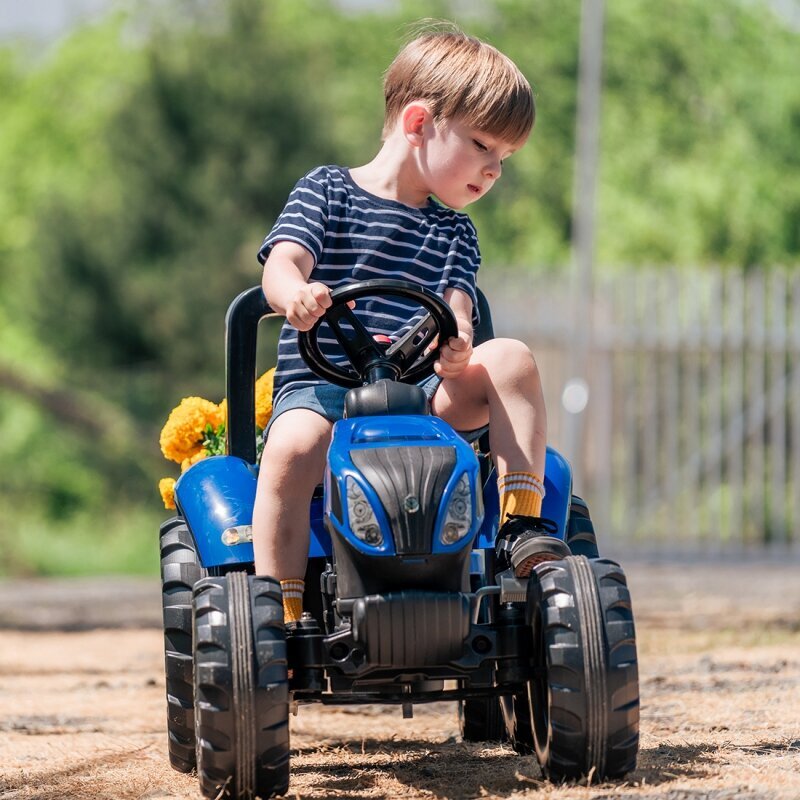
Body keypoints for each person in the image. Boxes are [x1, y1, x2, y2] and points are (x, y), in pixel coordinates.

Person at [252, 25, 570, 624]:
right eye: (483, 146)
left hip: (421, 399)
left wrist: (457, 344)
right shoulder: (326, 191)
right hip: (324, 394)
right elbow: (285, 261)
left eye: (504, 158)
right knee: (292, 446)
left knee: (513, 358)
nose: (495, 169)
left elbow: (457, 306)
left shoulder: (453, 231)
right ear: (420, 123)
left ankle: (520, 527)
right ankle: (278, 614)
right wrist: (294, 295)